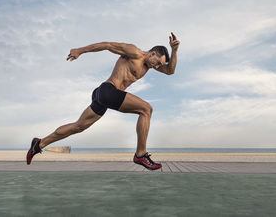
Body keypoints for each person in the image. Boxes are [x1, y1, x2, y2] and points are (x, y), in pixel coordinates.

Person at [27, 32, 180, 170]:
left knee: (78, 126)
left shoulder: (149, 65)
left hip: (102, 95)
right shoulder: (134, 52)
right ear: (153, 53)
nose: (157, 66)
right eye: (158, 62)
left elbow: (170, 71)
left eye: (159, 65)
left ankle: (39, 144)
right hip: (108, 90)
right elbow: (108, 45)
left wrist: (174, 50)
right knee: (146, 109)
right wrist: (80, 50)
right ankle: (141, 154)